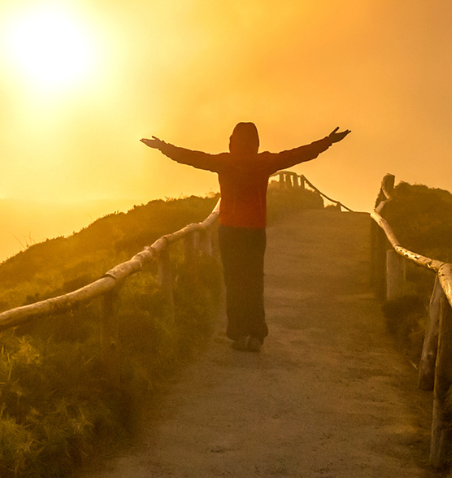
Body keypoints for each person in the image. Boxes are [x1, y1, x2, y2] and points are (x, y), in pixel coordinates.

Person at [141, 122, 350, 352]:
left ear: (232, 142)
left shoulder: (224, 162)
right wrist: (327, 142)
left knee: (234, 283)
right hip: (254, 232)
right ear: (256, 143)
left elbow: (191, 157)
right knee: (254, 282)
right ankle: (256, 335)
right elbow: (298, 155)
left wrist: (163, 146)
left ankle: (238, 334)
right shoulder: (263, 162)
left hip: (230, 231)